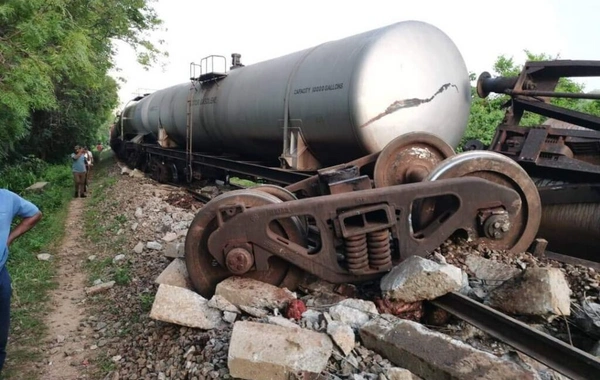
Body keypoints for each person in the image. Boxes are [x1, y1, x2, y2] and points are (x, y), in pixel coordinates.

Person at [0, 189, 42, 373]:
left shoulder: (7, 198)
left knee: (0, 334)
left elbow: (34, 214)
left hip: (0, 274)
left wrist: (8, 240)